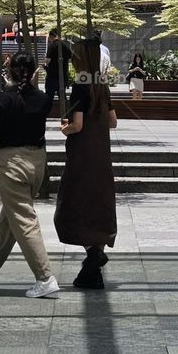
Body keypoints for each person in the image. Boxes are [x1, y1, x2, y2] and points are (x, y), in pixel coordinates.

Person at [0, 51, 60, 299]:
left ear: (9, 71)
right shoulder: (43, 99)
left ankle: (45, 277)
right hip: (37, 164)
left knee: (24, 220)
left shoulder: (5, 99)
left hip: (12, 165)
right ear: (34, 73)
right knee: (9, 221)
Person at [55, 37, 118, 289]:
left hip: (82, 154)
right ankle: (94, 264)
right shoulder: (101, 83)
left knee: (75, 202)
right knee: (98, 203)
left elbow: (77, 125)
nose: (72, 58)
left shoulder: (80, 85)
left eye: (75, 55)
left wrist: (65, 128)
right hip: (101, 154)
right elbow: (113, 122)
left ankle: (93, 254)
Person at [43, 28, 72, 116]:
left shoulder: (52, 46)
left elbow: (47, 60)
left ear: (51, 36)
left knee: (49, 97)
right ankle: (67, 114)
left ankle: (45, 114)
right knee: (62, 97)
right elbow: (70, 58)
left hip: (52, 75)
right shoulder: (65, 46)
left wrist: (45, 65)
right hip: (62, 75)